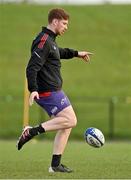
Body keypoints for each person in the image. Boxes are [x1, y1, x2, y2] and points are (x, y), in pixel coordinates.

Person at [17, 8, 92, 173]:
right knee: (71, 120)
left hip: (55, 90)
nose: (66, 27)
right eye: (64, 23)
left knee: (66, 126)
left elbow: (59, 53)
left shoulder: (50, 40)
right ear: (55, 21)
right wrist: (33, 89)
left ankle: (55, 165)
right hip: (47, 91)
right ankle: (30, 132)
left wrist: (77, 53)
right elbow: (32, 67)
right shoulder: (43, 40)